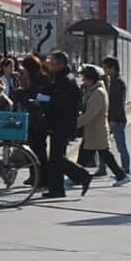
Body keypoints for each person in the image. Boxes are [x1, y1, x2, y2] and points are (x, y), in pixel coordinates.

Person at [40, 51, 92, 199]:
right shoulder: (62, 78)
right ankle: (57, 189)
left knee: (56, 158)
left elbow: (61, 103)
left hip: (62, 124)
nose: (50, 65)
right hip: (60, 123)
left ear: (60, 64)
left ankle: (83, 176)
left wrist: (45, 100)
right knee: (56, 158)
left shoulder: (66, 80)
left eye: (52, 62)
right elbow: (54, 92)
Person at [76, 65, 129, 187]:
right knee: (91, 153)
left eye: (85, 79)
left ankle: (121, 175)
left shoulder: (98, 93)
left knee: (102, 155)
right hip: (93, 131)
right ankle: (77, 175)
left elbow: (90, 114)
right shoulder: (93, 91)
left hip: (97, 131)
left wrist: (75, 123)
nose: (84, 81)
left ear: (91, 79)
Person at [101, 56, 131, 178]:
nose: (104, 70)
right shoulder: (111, 80)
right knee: (103, 145)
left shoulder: (118, 82)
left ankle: (126, 170)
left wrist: (113, 119)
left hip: (117, 120)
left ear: (112, 68)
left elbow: (117, 103)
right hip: (112, 118)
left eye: (106, 67)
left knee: (121, 146)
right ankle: (102, 168)